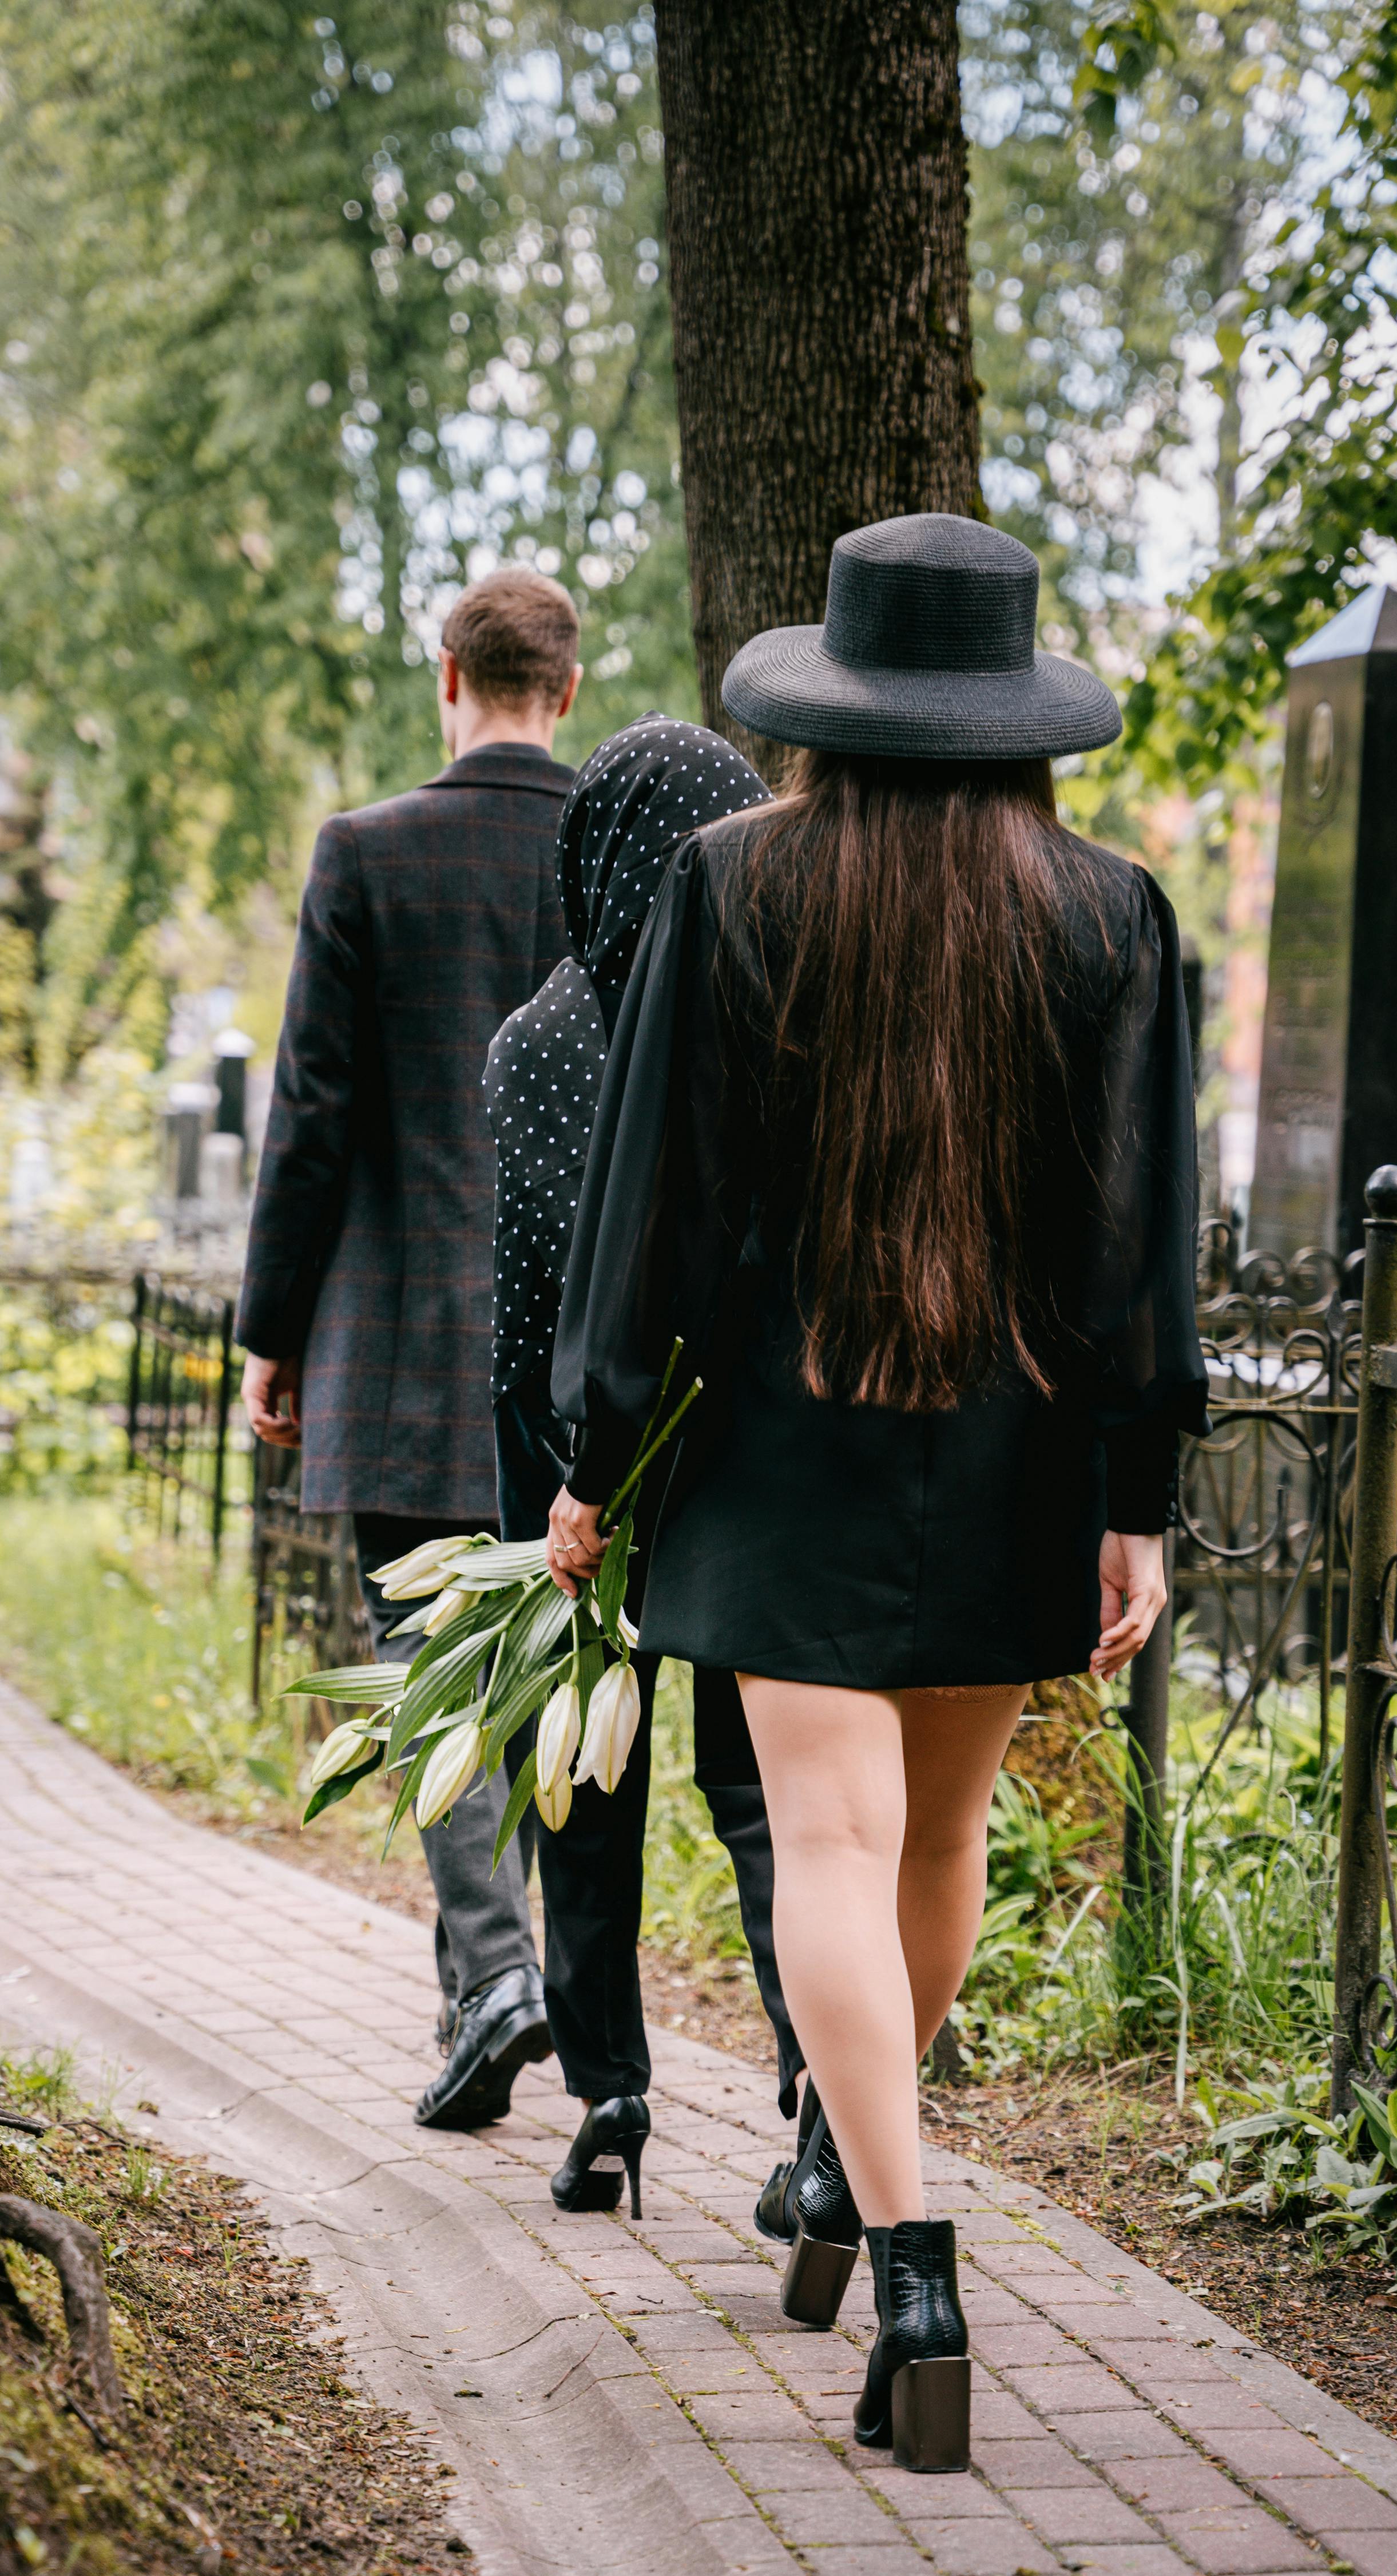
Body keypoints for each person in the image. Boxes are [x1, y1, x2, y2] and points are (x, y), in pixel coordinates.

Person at [545, 514, 1206, 2470]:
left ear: (824, 703)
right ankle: (865, 2158)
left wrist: (595, 1454)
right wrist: (1133, 1490)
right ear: (1016, 718)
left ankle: (903, 2243)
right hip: (1010, 1443)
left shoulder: (726, 885)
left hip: (778, 1443)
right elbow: (1139, 1251)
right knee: (937, 1843)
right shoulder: (1108, 914)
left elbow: (641, 1202)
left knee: (826, 1845)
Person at [238, 566, 584, 2131]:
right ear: (565, 689)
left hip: (394, 1334)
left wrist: (272, 1328)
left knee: (435, 1672)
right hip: (585, 1349)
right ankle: (506, 2000)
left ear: (447, 676)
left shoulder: (365, 853)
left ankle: (500, 1978)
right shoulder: (627, 854)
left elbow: (310, 1113)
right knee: (567, 1679)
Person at [483, 717, 805, 2219]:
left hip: (578, 1483)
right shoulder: (783, 1022)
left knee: (580, 1782)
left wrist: (541, 1485)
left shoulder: (538, 1045)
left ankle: (609, 2091)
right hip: (748, 1469)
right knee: (764, 1793)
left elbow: (529, 1297)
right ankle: (817, 2082)